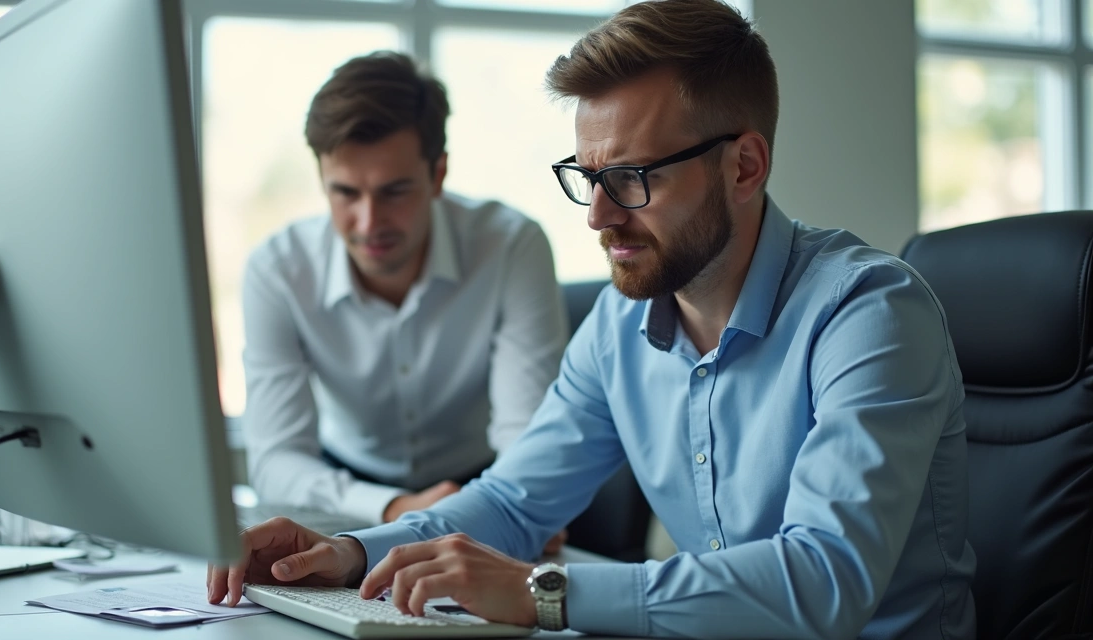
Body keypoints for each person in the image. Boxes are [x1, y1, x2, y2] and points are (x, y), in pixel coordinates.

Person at [212, 2, 977, 638]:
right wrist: (349, 553)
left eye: (633, 178)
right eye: (588, 178)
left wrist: (544, 594)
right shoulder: (620, 326)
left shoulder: (869, 313)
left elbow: (826, 580)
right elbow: (513, 503)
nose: (598, 217)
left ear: (744, 166)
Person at [240, 51, 569, 532]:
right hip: (344, 495)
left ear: (438, 175)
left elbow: (525, 433)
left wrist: (519, 506)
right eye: (345, 193)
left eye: (394, 191)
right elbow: (275, 461)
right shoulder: (278, 270)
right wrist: (396, 509)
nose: (368, 222)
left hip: (489, 483)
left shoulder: (512, 246)